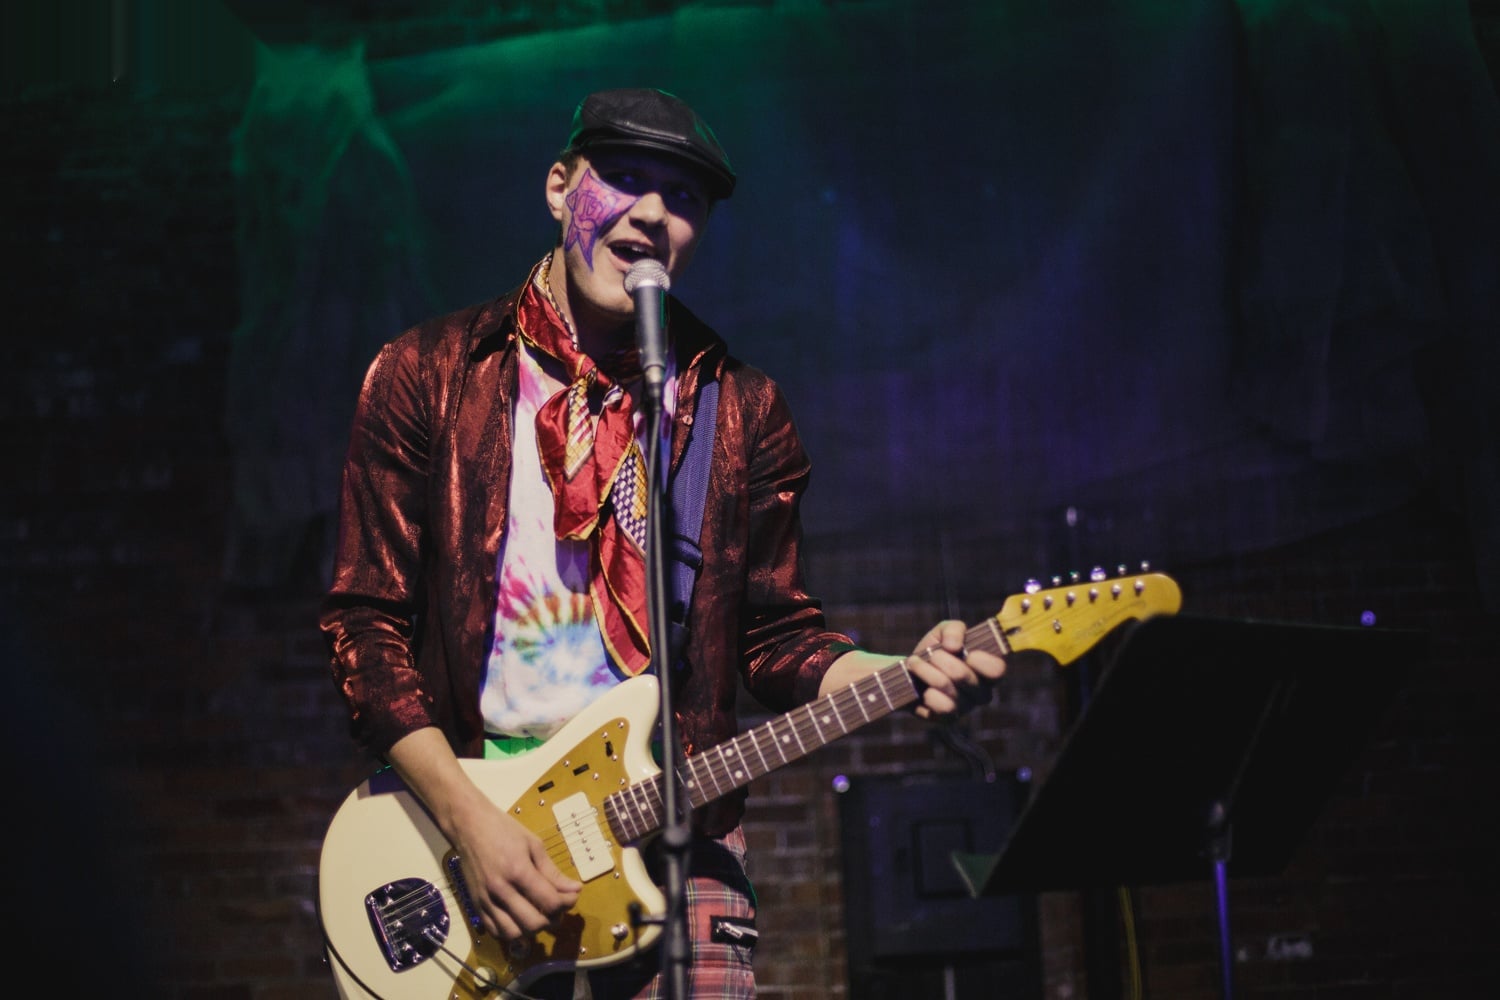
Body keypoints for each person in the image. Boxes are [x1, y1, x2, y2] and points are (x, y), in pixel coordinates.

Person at [319, 87, 1006, 1000]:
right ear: (560, 188)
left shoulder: (740, 409)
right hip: (468, 831)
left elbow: (775, 638)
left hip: (678, 844)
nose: (652, 212)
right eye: (624, 178)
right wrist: (466, 819)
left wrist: (904, 672)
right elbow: (365, 626)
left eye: (684, 197)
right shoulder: (427, 375)